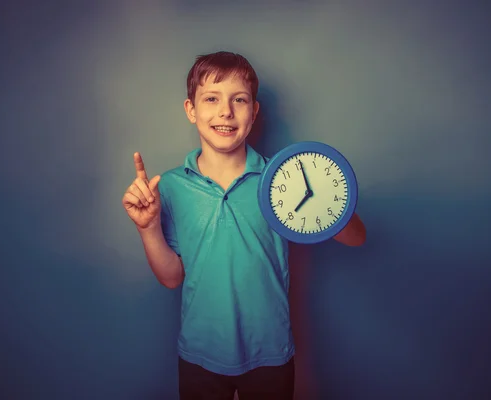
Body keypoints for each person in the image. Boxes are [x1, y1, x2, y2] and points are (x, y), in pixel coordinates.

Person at [122, 51, 366, 400]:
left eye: (239, 100)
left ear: (254, 112)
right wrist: (147, 228)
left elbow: (357, 237)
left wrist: (327, 200)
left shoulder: (283, 178)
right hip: (199, 353)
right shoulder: (171, 187)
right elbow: (171, 277)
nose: (225, 112)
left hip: (270, 353)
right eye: (211, 99)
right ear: (191, 110)